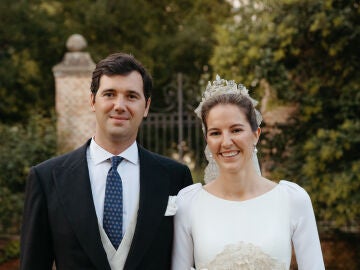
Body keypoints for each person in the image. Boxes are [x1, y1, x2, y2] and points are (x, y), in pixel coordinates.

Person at [20, 52, 193, 270]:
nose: (119, 105)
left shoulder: (176, 178)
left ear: (146, 106)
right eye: (109, 94)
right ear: (93, 101)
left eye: (131, 96)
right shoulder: (47, 179)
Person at [172, 75, 325, 269]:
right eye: (216, 133)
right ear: (207, 140)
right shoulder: (188, 203)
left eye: (236, 130)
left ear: (256, 134)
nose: (226, 142)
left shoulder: (293, 199)